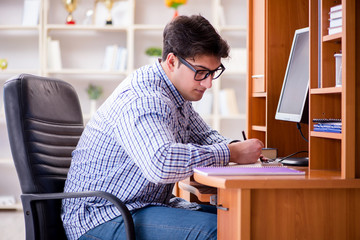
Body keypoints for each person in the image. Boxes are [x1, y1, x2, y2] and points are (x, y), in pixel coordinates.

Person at [62, 15, 264, 240]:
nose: (208, 83)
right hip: (103, 217)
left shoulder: (175, 95)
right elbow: (161, 162)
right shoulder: (145, 98)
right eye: (201, 72)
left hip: (136, 206)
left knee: (244, 218)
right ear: (171, 61)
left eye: (213, 73)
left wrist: (235, 147)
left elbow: (205, 136)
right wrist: (231, 153)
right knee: (225, 230)